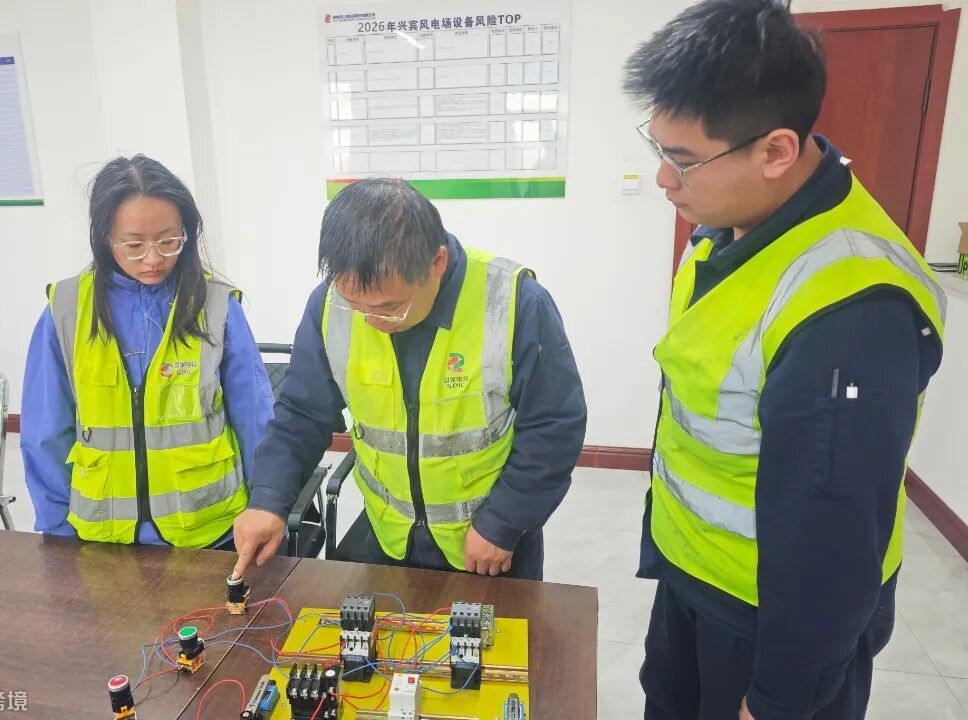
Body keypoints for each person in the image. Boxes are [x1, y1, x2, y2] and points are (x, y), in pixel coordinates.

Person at [622, 1, 947, 718]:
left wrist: (778, 697)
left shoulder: (851, 313)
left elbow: (833, 533)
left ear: (775, 151)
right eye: (659, 150)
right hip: (696, 575)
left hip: (767, 618)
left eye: (684, 161)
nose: (665, 181)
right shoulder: (729, 226)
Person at [228, 178, 586, 581]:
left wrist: (503, 523)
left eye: (389, 308)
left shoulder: (515, 302)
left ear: (437, 263)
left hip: (489, 545)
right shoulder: (329, 306)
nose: (370, 321)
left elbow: (555, 425)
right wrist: (269, 499)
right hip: (388, 537)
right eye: (355, 305)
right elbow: (301, 414)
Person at [21, 155, 274, 548]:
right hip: (101, 537)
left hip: (209, 533)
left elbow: (255, 420)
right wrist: (57, 531)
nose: (154, 259)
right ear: (105, 237)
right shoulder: (66, 309)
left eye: (168, 241)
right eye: (134, 244)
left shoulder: (216, 306)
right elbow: (45, 431)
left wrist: (266, 509)